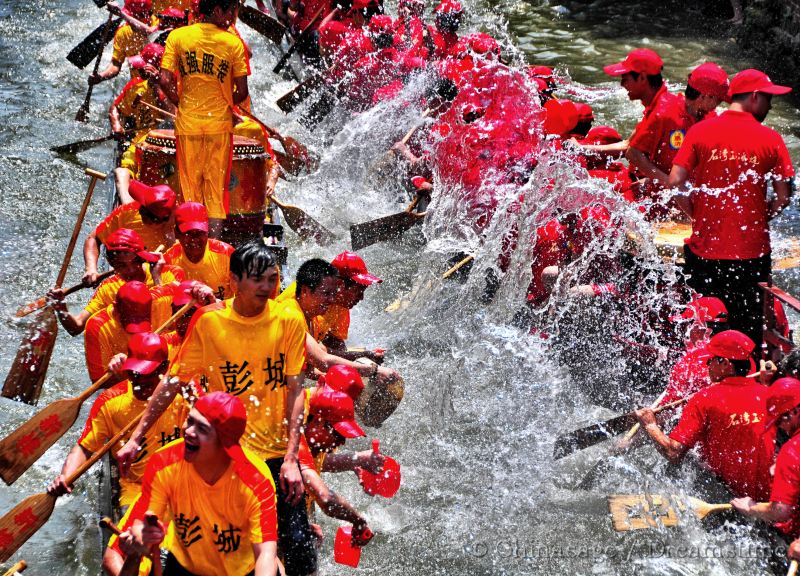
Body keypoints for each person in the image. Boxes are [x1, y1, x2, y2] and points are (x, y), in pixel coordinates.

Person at [117, 241, 316, 576]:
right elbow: (173, 382)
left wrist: (293, 458)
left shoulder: (289, 321)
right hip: (221, 451)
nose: (267, 288)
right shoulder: (209, 323)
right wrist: (137, 437)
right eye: (258, 280)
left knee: (299, 545)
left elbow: (295, 390)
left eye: (272, 279)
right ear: (234, 280)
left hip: (273, 453)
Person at [668, 68, 795, 348]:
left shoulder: (701, 130)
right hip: (751, 256)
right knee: (748, 332)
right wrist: (762, 217)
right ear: (753, 97)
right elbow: (784, 196)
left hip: (704, 254)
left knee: (705, 326)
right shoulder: (771, 138)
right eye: (768, 99)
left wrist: (695, 214)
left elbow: (676, 181)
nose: (771, 105)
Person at [114, 392, 279, 575]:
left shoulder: (256, 480)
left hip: (242, 571)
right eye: (190, 421)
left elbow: (265, 553)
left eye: (202, 428)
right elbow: (143, 525)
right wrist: (138, 542)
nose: (188, 432)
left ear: (224, 444)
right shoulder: (164, 461)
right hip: (185, 567)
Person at [50, 333, 186, 512]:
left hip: (181, 482)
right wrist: (66, 477)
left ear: (165, 369)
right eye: (135, 373)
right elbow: (84, 448)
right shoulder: (110, 401)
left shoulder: (183, 394)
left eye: (148, 373)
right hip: (137, 488)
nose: (141, 380)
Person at [636, 330, 774, 501]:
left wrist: (650, 425)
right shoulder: (769, 395)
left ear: (725, 364)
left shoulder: (705, 398)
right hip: (767, 499)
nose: (708, 366)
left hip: (729, 496)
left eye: (711, 361)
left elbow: (673, 453)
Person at [160, 0, 251, 238]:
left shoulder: (177, 37)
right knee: (215, 191)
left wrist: (180, 102)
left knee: (190, 189)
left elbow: (164, 80)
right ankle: (212, 246)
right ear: (218, 10)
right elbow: (242, 91)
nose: (232, 17)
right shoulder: (234, 43)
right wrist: (225, 105)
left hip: (187, 124)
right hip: (219, 127)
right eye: (230, 11)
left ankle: (189, 244)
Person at [275, 259, 398, 383]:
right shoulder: (290, 313)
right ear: (305, 291)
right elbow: (323, 361)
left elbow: (311, 366)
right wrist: (373, 370)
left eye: (332, 293)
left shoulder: (314, 319)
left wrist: (363, 357)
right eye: (326, 293)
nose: (331, 299)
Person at [625, 62, 728, 203]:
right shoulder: (665, 112)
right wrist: (668, 183)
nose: (719, 104)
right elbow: (633, 153)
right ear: (704, 96)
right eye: (719, 99)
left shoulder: (711, 119)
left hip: (684, 193)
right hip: (655, 194)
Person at [49, 228, 183, 337]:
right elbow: (76, 327)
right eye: (121, 265)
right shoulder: (108, 288)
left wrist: (156, 279)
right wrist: (61, 308)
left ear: (141, 258)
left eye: (134, 262)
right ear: (111, 264)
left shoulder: (168, 274)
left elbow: (173, 319)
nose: (130, 270)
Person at [298, 380, 376, 547]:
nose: (340, 443)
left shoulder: (315, 443)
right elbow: (326, 498)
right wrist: (359, 521)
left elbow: (323, 462)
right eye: (338, 435)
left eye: (344, 438)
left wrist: (356, 462)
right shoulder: (293, 444)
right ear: (318, 421)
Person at [732, 377, 800, 546]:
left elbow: (780, 511)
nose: (780, 428)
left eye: (779, 421)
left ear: (793, 412)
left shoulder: (792, 450)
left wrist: (751, 508)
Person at [108, 43, 174, 204]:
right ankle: (128, 206)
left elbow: (174, 117)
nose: (139, 70)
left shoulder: (174, 88)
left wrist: (159, 84)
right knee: (124, 169)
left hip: (170, 143)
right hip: (139, 142)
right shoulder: (136, 86)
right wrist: (117, 125)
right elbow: (115, 107)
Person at [85, 180, 177, 280]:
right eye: (143, 210)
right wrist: (91, 269)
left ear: (166, 219)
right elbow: (94, 238)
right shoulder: (129, 211)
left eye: (151, 217)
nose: (144, 216)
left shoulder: (183, 230)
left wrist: (170, 236)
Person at [317, 251, 383, 361]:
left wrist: (365, 356)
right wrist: (360, 356)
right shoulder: (310, 300)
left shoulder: (341, 304)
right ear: (340, 285)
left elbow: (335, 343)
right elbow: (313, 352)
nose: (361, 297)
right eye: (358, 290)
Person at [84, 281, 154, 383]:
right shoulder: (96, 326)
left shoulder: (159, 301)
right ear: (115, 307)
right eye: (130, 320)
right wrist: (121, 371)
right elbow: (99, 383)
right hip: (125, 381)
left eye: (142, 318)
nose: (136, 332)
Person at [163, 202, 235, 300]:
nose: (194, 239)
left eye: (200, 233)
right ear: (176, 234)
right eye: (188, 233)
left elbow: (242, 298)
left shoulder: (228, 254)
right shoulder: (168, 260)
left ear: (207, 232)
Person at [90, 0, 152, 85]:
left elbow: (147, 31)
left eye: (136, 16)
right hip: (139, 85)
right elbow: (115, 65)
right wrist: (100, 77)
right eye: (131, 16)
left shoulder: (159, 24)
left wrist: (121, 14)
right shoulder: (123, 33)